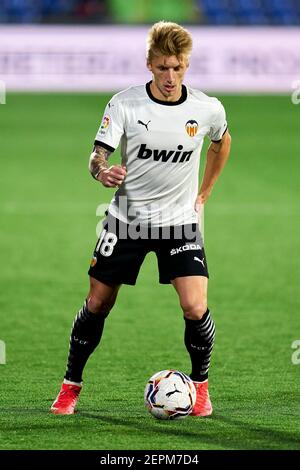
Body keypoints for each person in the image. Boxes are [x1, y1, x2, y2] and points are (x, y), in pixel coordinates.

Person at [50, 21, 231, 416]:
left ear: (186, 65)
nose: (171, 77)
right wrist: (103, 172)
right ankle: (70, 386)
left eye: (178, 67)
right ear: (149, 64)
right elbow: (97, 154)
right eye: (163, 67)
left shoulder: (207, 108)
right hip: (127, 220)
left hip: (180, 222)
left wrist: (206, 191)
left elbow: (222, 140)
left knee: (195, 306)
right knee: (98, 303)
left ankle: (200, 388)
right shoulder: (124, 104)